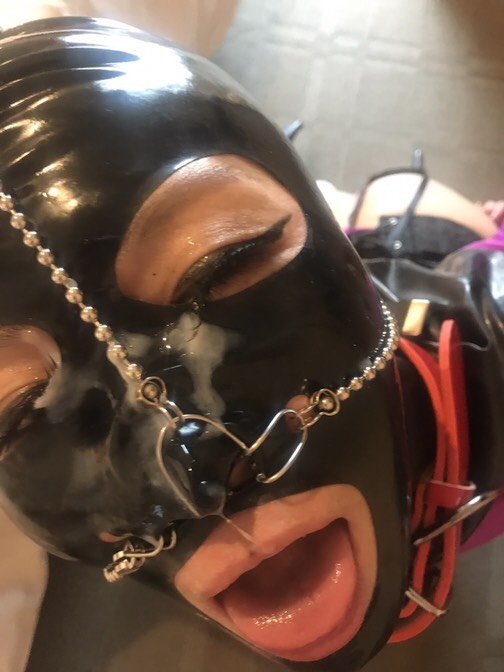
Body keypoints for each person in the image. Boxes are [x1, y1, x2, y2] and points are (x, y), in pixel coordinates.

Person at [0, 17, 502, 672]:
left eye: (223, 261)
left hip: (427, 284)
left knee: (403, 198)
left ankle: (378, 223)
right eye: (15, 411)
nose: (193, 482)